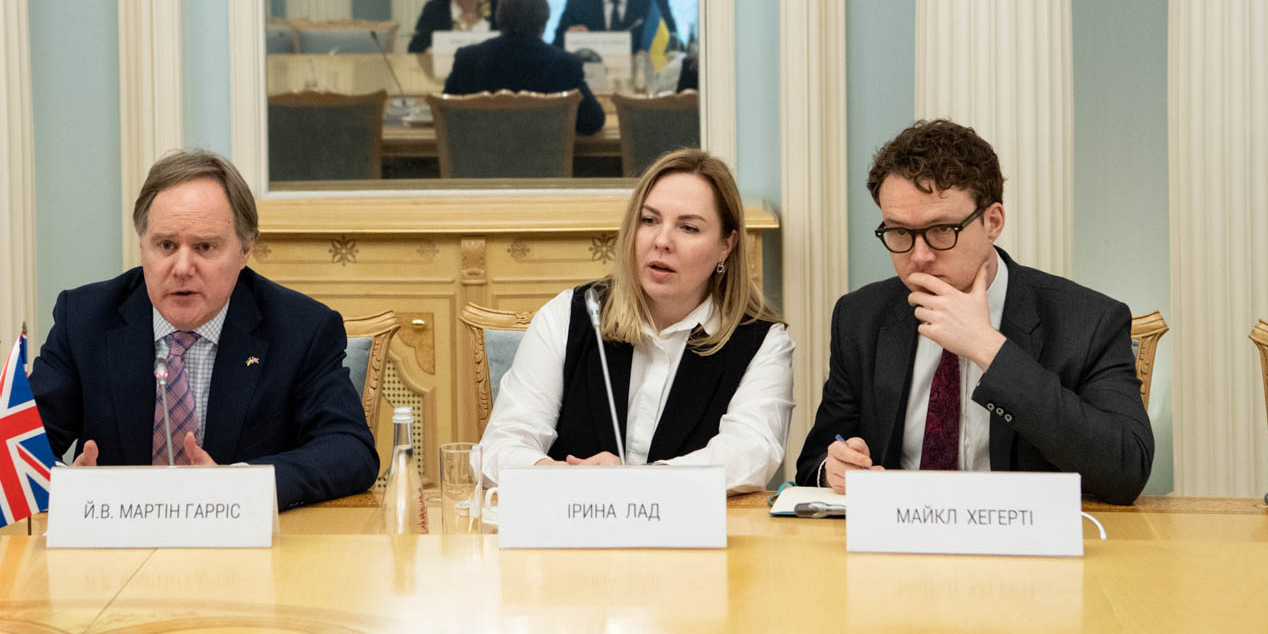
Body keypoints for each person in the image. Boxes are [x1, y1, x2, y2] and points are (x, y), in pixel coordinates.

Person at [795, 120, 1153, 505]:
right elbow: (815, 460)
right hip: (900, 531)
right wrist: (834, 468)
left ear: (993, 222)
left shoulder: (1089, 321)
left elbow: (1126, 471)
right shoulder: (860, 318)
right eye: (899, 231)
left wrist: (989, 350)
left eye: (941, 230)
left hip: (1025, 533)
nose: (919, 256)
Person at [30, 150, 378, 510]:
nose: (182, 267)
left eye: (205, 247)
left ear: (245, 250)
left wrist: (237, 484)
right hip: (113, 538)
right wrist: (68, 484)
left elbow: (350, 449)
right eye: (166, 245)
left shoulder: (301, 329)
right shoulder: (85, 320)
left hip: (245, 542)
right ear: (142, 247)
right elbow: (19, 446)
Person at [476, 148, 795, 493]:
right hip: (571, 521)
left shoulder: (763, 344)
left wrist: (635, 482)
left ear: (726, 246)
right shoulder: (568, 316)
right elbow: (499, 447)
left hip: (690, 527)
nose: (662, 241)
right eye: (649, 220)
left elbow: (750, 454)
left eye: (688, 228)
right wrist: (558, 474)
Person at [442, 0, 605, 135]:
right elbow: (593, 121)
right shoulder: (565, 65)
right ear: (544, 22)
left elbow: (444, 116)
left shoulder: (468, 60)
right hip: (545, 156)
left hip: (479, 156)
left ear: (499, 18)